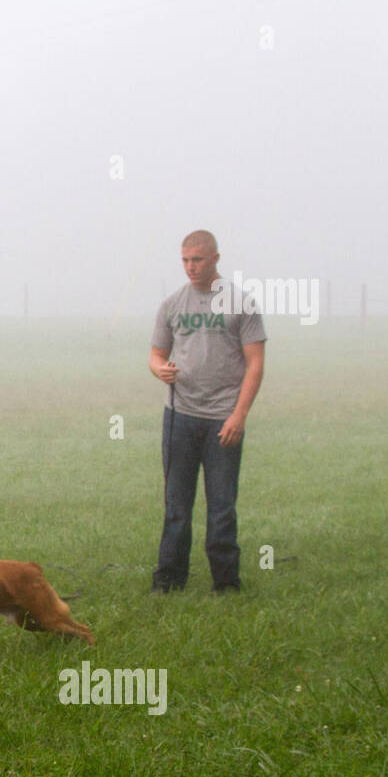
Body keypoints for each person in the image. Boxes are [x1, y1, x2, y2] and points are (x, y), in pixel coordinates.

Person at [149, 231, 266, 593]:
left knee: (221, 507)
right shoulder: (172, 305)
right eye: (184, 260)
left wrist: (239, 415)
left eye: (197, 260)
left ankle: (227, 583)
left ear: (215, 258)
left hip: (222, 420)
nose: (190, 267)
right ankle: (169, 581)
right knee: (176, 506)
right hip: (179, 417)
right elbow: (155, 354)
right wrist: (159, 369)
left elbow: (256, 364)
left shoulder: (240, 304)